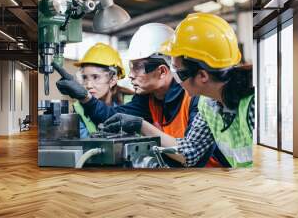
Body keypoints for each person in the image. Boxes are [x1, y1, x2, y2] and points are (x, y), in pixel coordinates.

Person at [102, 13, 255, 168]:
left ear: (202, 75)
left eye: (178, 71)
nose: (174, 76)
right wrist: (140, 125)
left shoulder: (252, 105)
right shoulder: (208, 104)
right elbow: (189, 152)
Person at [53, 23, 199, 166]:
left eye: (137, 68)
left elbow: (189, 155)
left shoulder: (194, 98)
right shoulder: (147, 98)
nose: (131, 75)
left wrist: (141, 125)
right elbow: (112, 118)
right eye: (131, 67)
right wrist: (84, 96)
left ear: (162, 71)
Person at [54, 43, 133, 138]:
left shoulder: (131, 101)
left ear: (112, 80)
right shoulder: (79, 108)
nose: (88, 85)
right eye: (85, 78)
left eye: (95, 77)